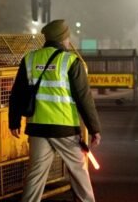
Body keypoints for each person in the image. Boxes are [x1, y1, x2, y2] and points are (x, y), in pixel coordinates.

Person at [9, 19, 102, 202]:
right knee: (79, 173)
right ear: (64, 38)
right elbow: (84, 98)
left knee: (35, 177)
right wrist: (94, 129)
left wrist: (14, 121)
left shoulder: (30, 58)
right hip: (64, 128)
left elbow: (17, 93)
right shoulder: (70, 61)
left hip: (37, 127)